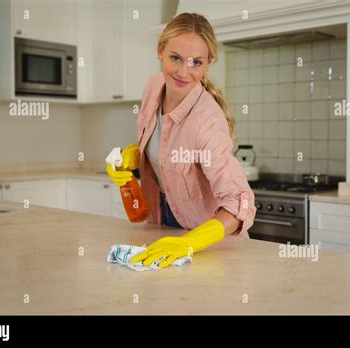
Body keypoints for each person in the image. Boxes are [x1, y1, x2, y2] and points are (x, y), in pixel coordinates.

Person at [107, 12, 255, 268]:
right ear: (160, 51)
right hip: (162, 225)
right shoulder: (154, 87)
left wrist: (189, 242)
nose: (183, 72)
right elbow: (160, 145)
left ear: (208, 64)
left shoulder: (206, 122)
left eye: (196, 62)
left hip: (208, 247)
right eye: (175, 58)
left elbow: (240, 202)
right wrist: (133, 156)